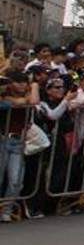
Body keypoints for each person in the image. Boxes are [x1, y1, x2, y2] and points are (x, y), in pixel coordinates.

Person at [1, 67, 40, 222]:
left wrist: (34, 85)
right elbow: (22, 102)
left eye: (24, 82)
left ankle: (6, 210)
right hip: (2, 140)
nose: (22, 85)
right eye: (18, 82)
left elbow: (34, 101)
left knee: (16, 181)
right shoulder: (4, 97)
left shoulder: (28, 95)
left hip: (18, 142)